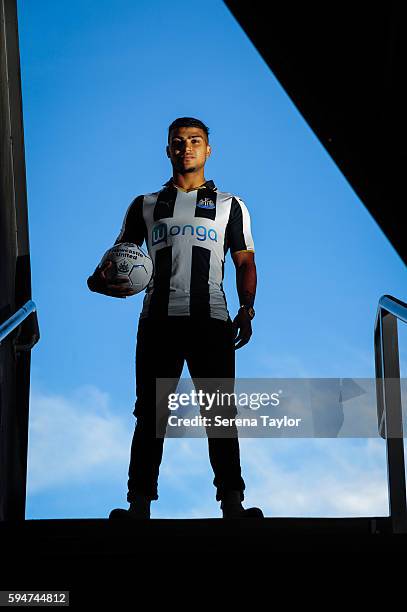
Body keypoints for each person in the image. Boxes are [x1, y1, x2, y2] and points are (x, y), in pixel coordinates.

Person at [87, 117, 263, 519]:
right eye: (178, 142)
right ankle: (139, 506)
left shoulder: (229, 205)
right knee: (150, 411)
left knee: (219, 410)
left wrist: (247, 308)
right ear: (168, 150)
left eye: (195, 141)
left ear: (208, 150)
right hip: (157, 322)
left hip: (212, 320)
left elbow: (245, 262)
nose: (187, 148)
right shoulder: (145, 205)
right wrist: (100, 280)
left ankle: (233, 503)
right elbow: (120, 259)